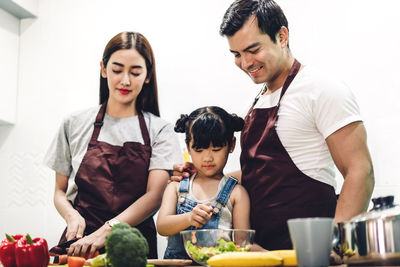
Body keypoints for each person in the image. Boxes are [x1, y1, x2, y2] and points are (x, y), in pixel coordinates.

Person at [171, 0, 374, 251]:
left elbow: (360, 172)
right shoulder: (254, 103)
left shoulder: (321, 89)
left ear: (282, 36)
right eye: (236, 54)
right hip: (261, 253)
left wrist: (335, 246)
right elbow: (262, 173)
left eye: (253, 49)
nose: (245, 63)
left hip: (307, 252)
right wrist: (200, 175)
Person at [44, 31, 182, 258]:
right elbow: (59, 191)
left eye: (135, 72)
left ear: (148, 76)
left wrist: (107, 230)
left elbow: (155, 195)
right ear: (103, 68)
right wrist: (71, 216)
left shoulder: (160, 130)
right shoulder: (73, 123)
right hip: (80, 246)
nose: (125, 80)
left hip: (135, 249)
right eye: (117, 70)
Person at [157, 106, 251, 259]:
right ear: (188, 146)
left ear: (232, 145)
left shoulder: (237, 193)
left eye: (216, 149)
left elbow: (243, 243)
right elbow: (162, 226)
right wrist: (188, 218)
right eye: (199, 150)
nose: (208, 158)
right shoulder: (177, 186)